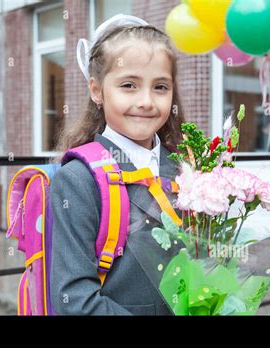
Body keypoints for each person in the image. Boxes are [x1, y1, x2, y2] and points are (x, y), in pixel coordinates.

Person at [50, 14, 186, 315]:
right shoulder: (78, 179)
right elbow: (75, 301)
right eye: (129, 85)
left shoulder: (184, 169)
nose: (147, 101)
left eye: (160, 87)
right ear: (97, 90)